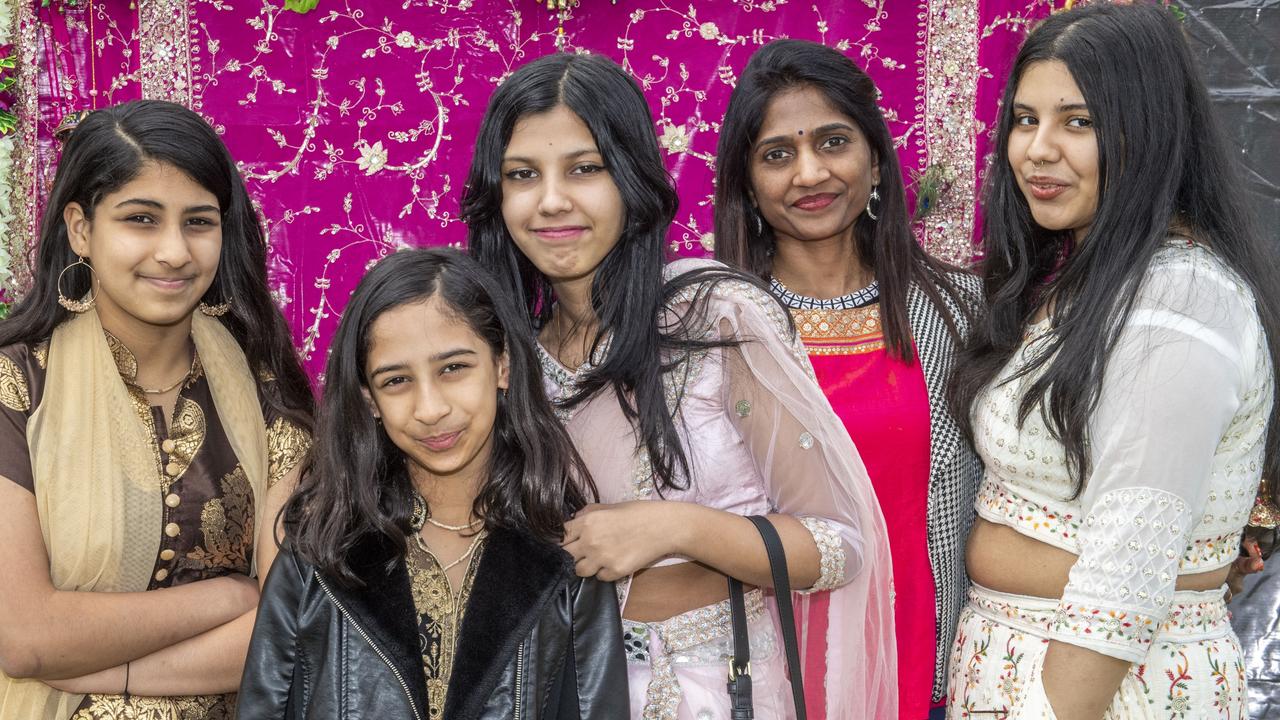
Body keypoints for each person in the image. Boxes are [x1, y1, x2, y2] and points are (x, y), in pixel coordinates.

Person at [465, 53, 896, 719]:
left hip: (719, 695)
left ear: (632, 180)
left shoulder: (714, 315)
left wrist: (677, 528)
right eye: (524, 175)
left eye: (585, 168)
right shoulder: (504, 362)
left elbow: (839, 545)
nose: (552, 200)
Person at [946, 4, 1279, 718]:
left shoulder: (1179, 304)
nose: (1036, 149)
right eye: (1025, 119)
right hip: (1023, 667)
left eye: (1078, 122)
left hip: (1102, 690)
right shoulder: (1091, 278)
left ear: (1152, 131)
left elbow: (1120, 589)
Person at [0, 100, 314, 719]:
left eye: (199, 222)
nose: (174, 252)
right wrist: (231, 597)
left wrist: (99, 666)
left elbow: (291, 630)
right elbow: (26, 636)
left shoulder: (266, 388)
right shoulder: (14, 388)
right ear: (81, 228)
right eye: (141, 219)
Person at [237, 247, 627, 719]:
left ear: (502, 366)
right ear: (370, 399)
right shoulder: (319, 550)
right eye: (397, 380)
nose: (430, 408)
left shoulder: (565, 553)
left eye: (453, 368)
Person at [713, 39, 981, 720]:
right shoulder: (714, 327)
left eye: (833, 142)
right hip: (770, 675)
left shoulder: (958, 314)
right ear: (747, 183)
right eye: (777, 154)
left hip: (929, 668)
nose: (809, 173)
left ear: (875, 160)